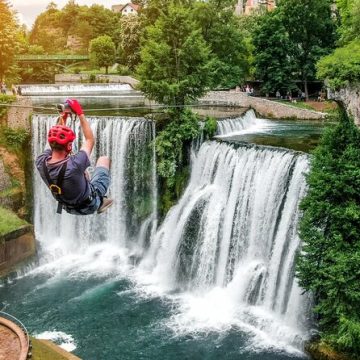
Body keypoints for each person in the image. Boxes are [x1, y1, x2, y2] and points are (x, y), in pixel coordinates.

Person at [35, 99, 113, 215]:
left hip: (68, 206)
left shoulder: (41, 161)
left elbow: (55, 140)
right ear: (69, 146)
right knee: (104, 159)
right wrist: (80, 114)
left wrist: (63, 118)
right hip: (90, 204)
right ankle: (101, 201)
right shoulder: (75, 165)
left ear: (50, 144)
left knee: (84, 174)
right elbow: (90, 140)